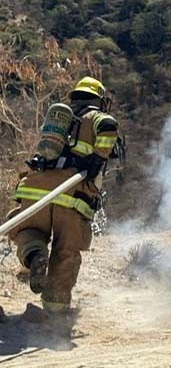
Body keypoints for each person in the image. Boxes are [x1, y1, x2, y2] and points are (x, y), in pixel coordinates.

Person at [5, 76, 120, 315]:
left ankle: (35, 255)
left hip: (35, 187)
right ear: (98, 99)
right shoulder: (94, 116)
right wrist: (97, 160)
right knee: (65, 251)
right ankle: (56, 312)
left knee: (27, 231)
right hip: (71, 193)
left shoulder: (60, 121)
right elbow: (109, 126)